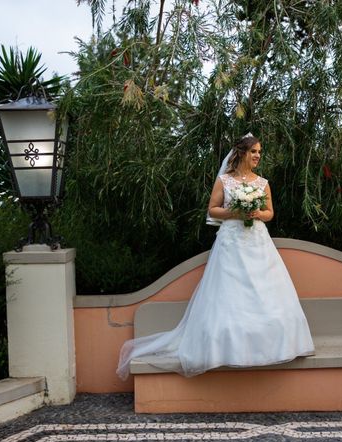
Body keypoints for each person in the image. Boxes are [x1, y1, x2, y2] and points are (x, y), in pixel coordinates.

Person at [117, 135, 314, 379]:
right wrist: (235, 212)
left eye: (259, 152)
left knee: (266, 289)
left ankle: (271, 346)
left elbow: (270, 213)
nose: (257, 156)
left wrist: (257, 213)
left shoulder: (263, 183)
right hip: (231, 241)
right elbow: (212, 209)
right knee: (228, 291)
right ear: (241, 152)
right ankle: (224, 349)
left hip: (257, 241)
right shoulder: (225, 181)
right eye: (253, 151)